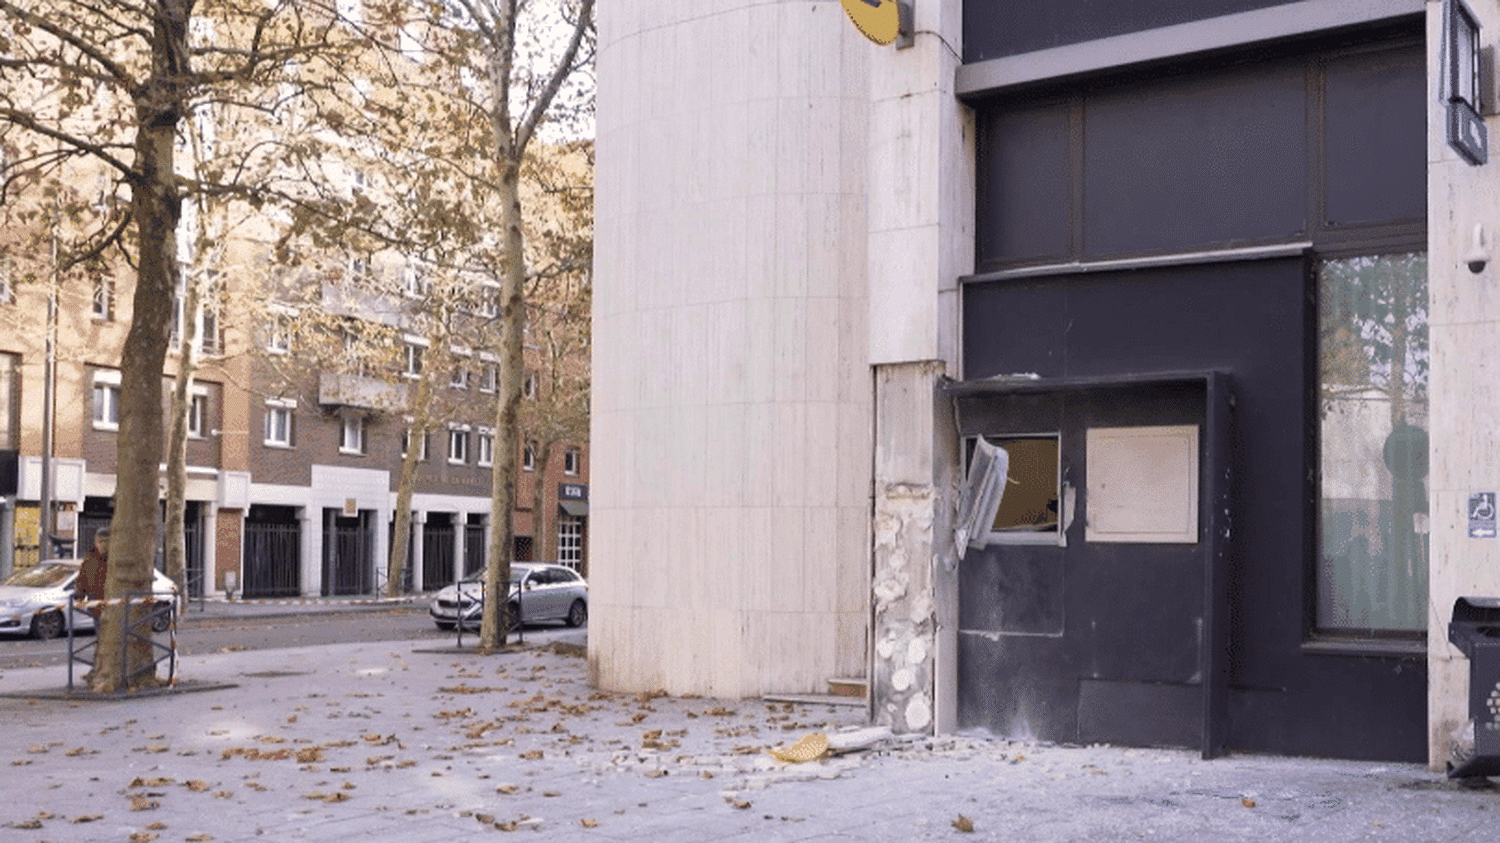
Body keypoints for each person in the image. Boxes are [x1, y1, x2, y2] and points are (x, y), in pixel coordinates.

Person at [77, 528, 110, 607]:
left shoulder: (114, 561)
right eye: (101, 541)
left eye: (106, 541)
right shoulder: (89, 562)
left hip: (112, 605)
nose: (103, 544)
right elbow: (81, 583)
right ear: (96, 543)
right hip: (94, 605)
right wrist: (79, 599)